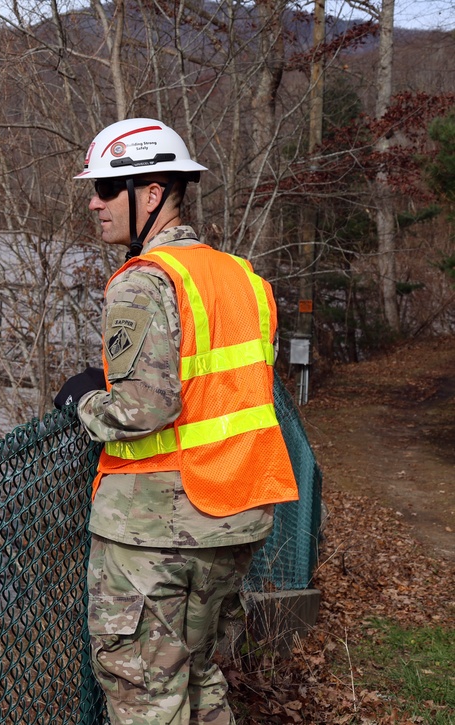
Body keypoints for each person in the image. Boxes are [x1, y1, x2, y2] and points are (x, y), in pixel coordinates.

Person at [58, 118, 299, 724]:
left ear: (154, 191)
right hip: (235, 514)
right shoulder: (244, 279)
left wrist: (79, 400)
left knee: (145, 693)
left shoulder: (144, 282)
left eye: (108, 189)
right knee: (201, 679)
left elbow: (145, 409)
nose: (94, 202)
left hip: (157, 531)